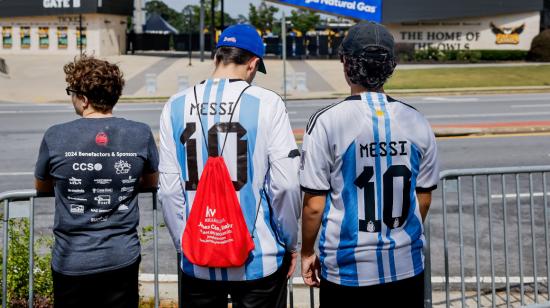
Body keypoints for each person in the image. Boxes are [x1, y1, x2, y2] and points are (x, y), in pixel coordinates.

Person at [158, 24, 301, 308]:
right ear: (253, 64)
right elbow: (285, 185)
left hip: (197, 258)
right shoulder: (268, 103)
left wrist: (184, 246)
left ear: (216, 58)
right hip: (258, 256)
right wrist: (290, 243)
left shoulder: (174, 105)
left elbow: (169, 191)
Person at [299, 21, 439, 307]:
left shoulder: (327, 121)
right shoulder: (417, 120)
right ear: (391, 66)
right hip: (406, 264)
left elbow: (314, 203)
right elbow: (423, 197)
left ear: (345, 63)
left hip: (348, 268)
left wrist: (306, 252)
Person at [34, 55, 159, 308]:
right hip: (121, 256)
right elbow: (151, 181)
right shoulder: (140, 133)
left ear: (84, 99)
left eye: (72, 92)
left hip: (72, 259)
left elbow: (42, 186)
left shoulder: (56, 135)